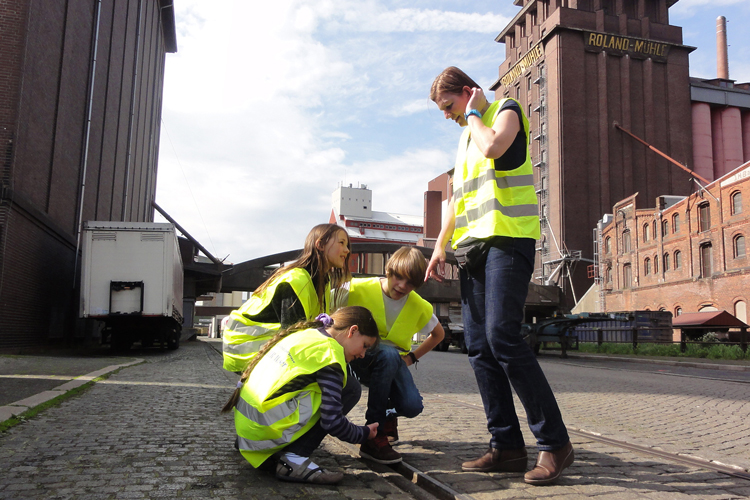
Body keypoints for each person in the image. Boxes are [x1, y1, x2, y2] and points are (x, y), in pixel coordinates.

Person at [425, 66, 574, 485]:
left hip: (508, 240)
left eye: (449, 106)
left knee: (502, 336)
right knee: (479, 347)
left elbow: (494, 148)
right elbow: (457, 196)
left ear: (468, 93)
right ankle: (506, 446)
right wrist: (440, 244)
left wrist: (473, 114)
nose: (448, 116)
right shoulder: (464, 135)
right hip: (474, 250)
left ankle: (555, 443)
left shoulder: (504, 111)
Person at [222, 306, 381, 485]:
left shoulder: (307, 334)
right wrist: (363, 433)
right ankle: (294, 460)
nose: (362, 354)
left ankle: (270, 448)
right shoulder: (329, 355)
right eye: (365, 346)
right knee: (351, 388)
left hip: (248, 433)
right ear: (353, 331)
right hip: (262, 437)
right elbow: (333, 421)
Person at [339, 246, 445, 464]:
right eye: (398, 277)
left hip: (393, 362)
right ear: (389, 270)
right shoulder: (357, 288)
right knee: (387, 354)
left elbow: (438, 334)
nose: (402, 286)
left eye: (410, 283)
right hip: (357, 359)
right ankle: (373, 436)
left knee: (412, 406)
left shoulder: (419, 305)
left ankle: (388, 416)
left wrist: (412, 358)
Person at [222, 223, 351, 373]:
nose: (347, 250)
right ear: (320, 245)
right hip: (245, 348)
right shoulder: (296, 280)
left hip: (266, 345)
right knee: (341, 381)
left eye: (347, 245)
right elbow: (293, 337)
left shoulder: (322, 282)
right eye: (341, 243)